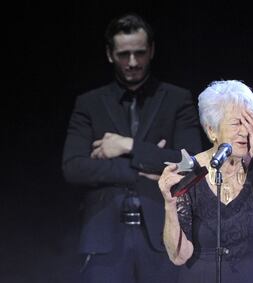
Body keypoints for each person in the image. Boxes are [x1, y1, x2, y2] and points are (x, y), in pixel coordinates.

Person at [62, 12, 202, 283]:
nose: (133, 62)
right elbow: (74, 167)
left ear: (152, 50)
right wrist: (147, 161)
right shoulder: (89, 104)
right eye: (124, 54)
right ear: (109, 54)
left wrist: (126, 146)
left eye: (140, 53)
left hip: (164, 235)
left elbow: (191, 164)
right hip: (104, 238)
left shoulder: (177, 99)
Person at [158, 80, 253, 283]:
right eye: (236, 124)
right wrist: (169, 204)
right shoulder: (190, 171)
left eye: (249, 123)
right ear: (211, 131)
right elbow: (179, 256)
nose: (244, 132)